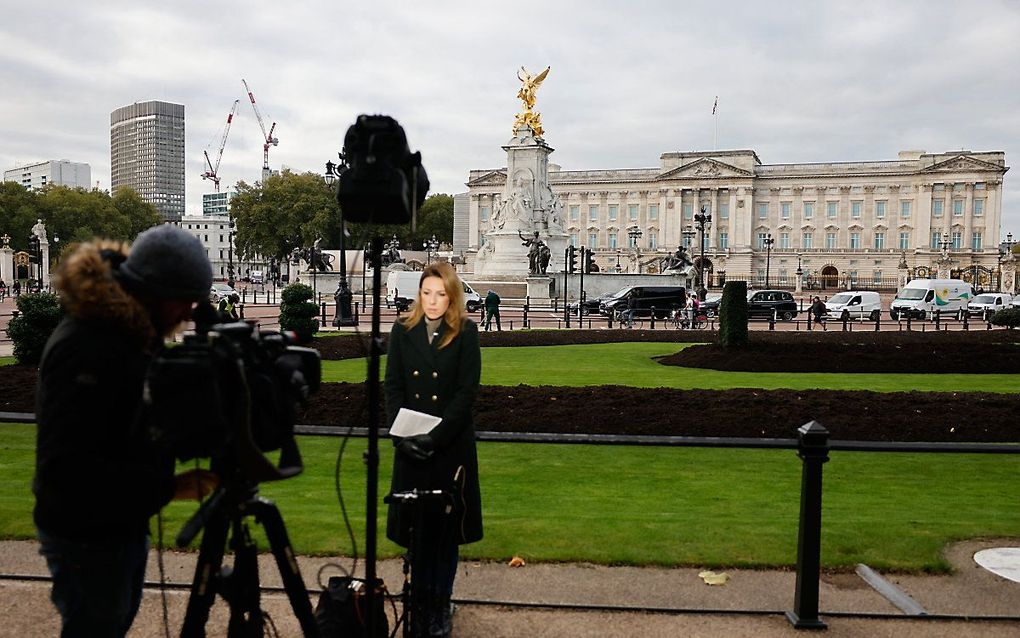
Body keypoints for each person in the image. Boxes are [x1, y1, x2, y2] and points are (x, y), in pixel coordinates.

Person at [34, 225, 219, 637]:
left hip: (116, 521)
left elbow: (131, 426)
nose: (190, 313)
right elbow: (71, 467)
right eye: (184, 301)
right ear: (153, 292)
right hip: (86, 532)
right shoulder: (88, 344)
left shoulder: (130, 334)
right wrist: (168, 488)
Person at [384, 262, 482, 638]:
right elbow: (393, 387)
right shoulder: (402, 331)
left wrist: (434, 437)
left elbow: (465, 393)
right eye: (427, 293)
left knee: (444, 535)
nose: (433, 300)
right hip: (410, 446)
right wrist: (402, 436)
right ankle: (419, 602)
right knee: (417, 532)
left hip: (448, 448)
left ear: (452, 296)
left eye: (441, 294)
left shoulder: (466, 333)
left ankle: (439, 603)